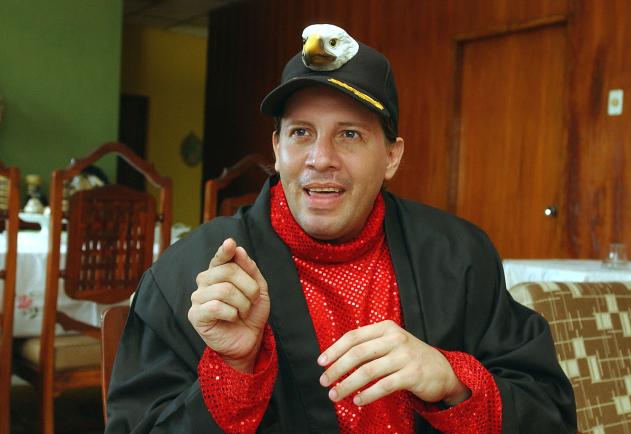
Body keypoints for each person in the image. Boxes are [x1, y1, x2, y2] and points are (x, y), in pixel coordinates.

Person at [105, 23, 576, 433]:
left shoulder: (459, 256)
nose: (321, 158)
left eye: (349, 134)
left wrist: (452, 379)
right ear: (277, 148)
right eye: (301, 132)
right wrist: (232, 370)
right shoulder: (194, 276)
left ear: (391, 156)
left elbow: (549, 413)